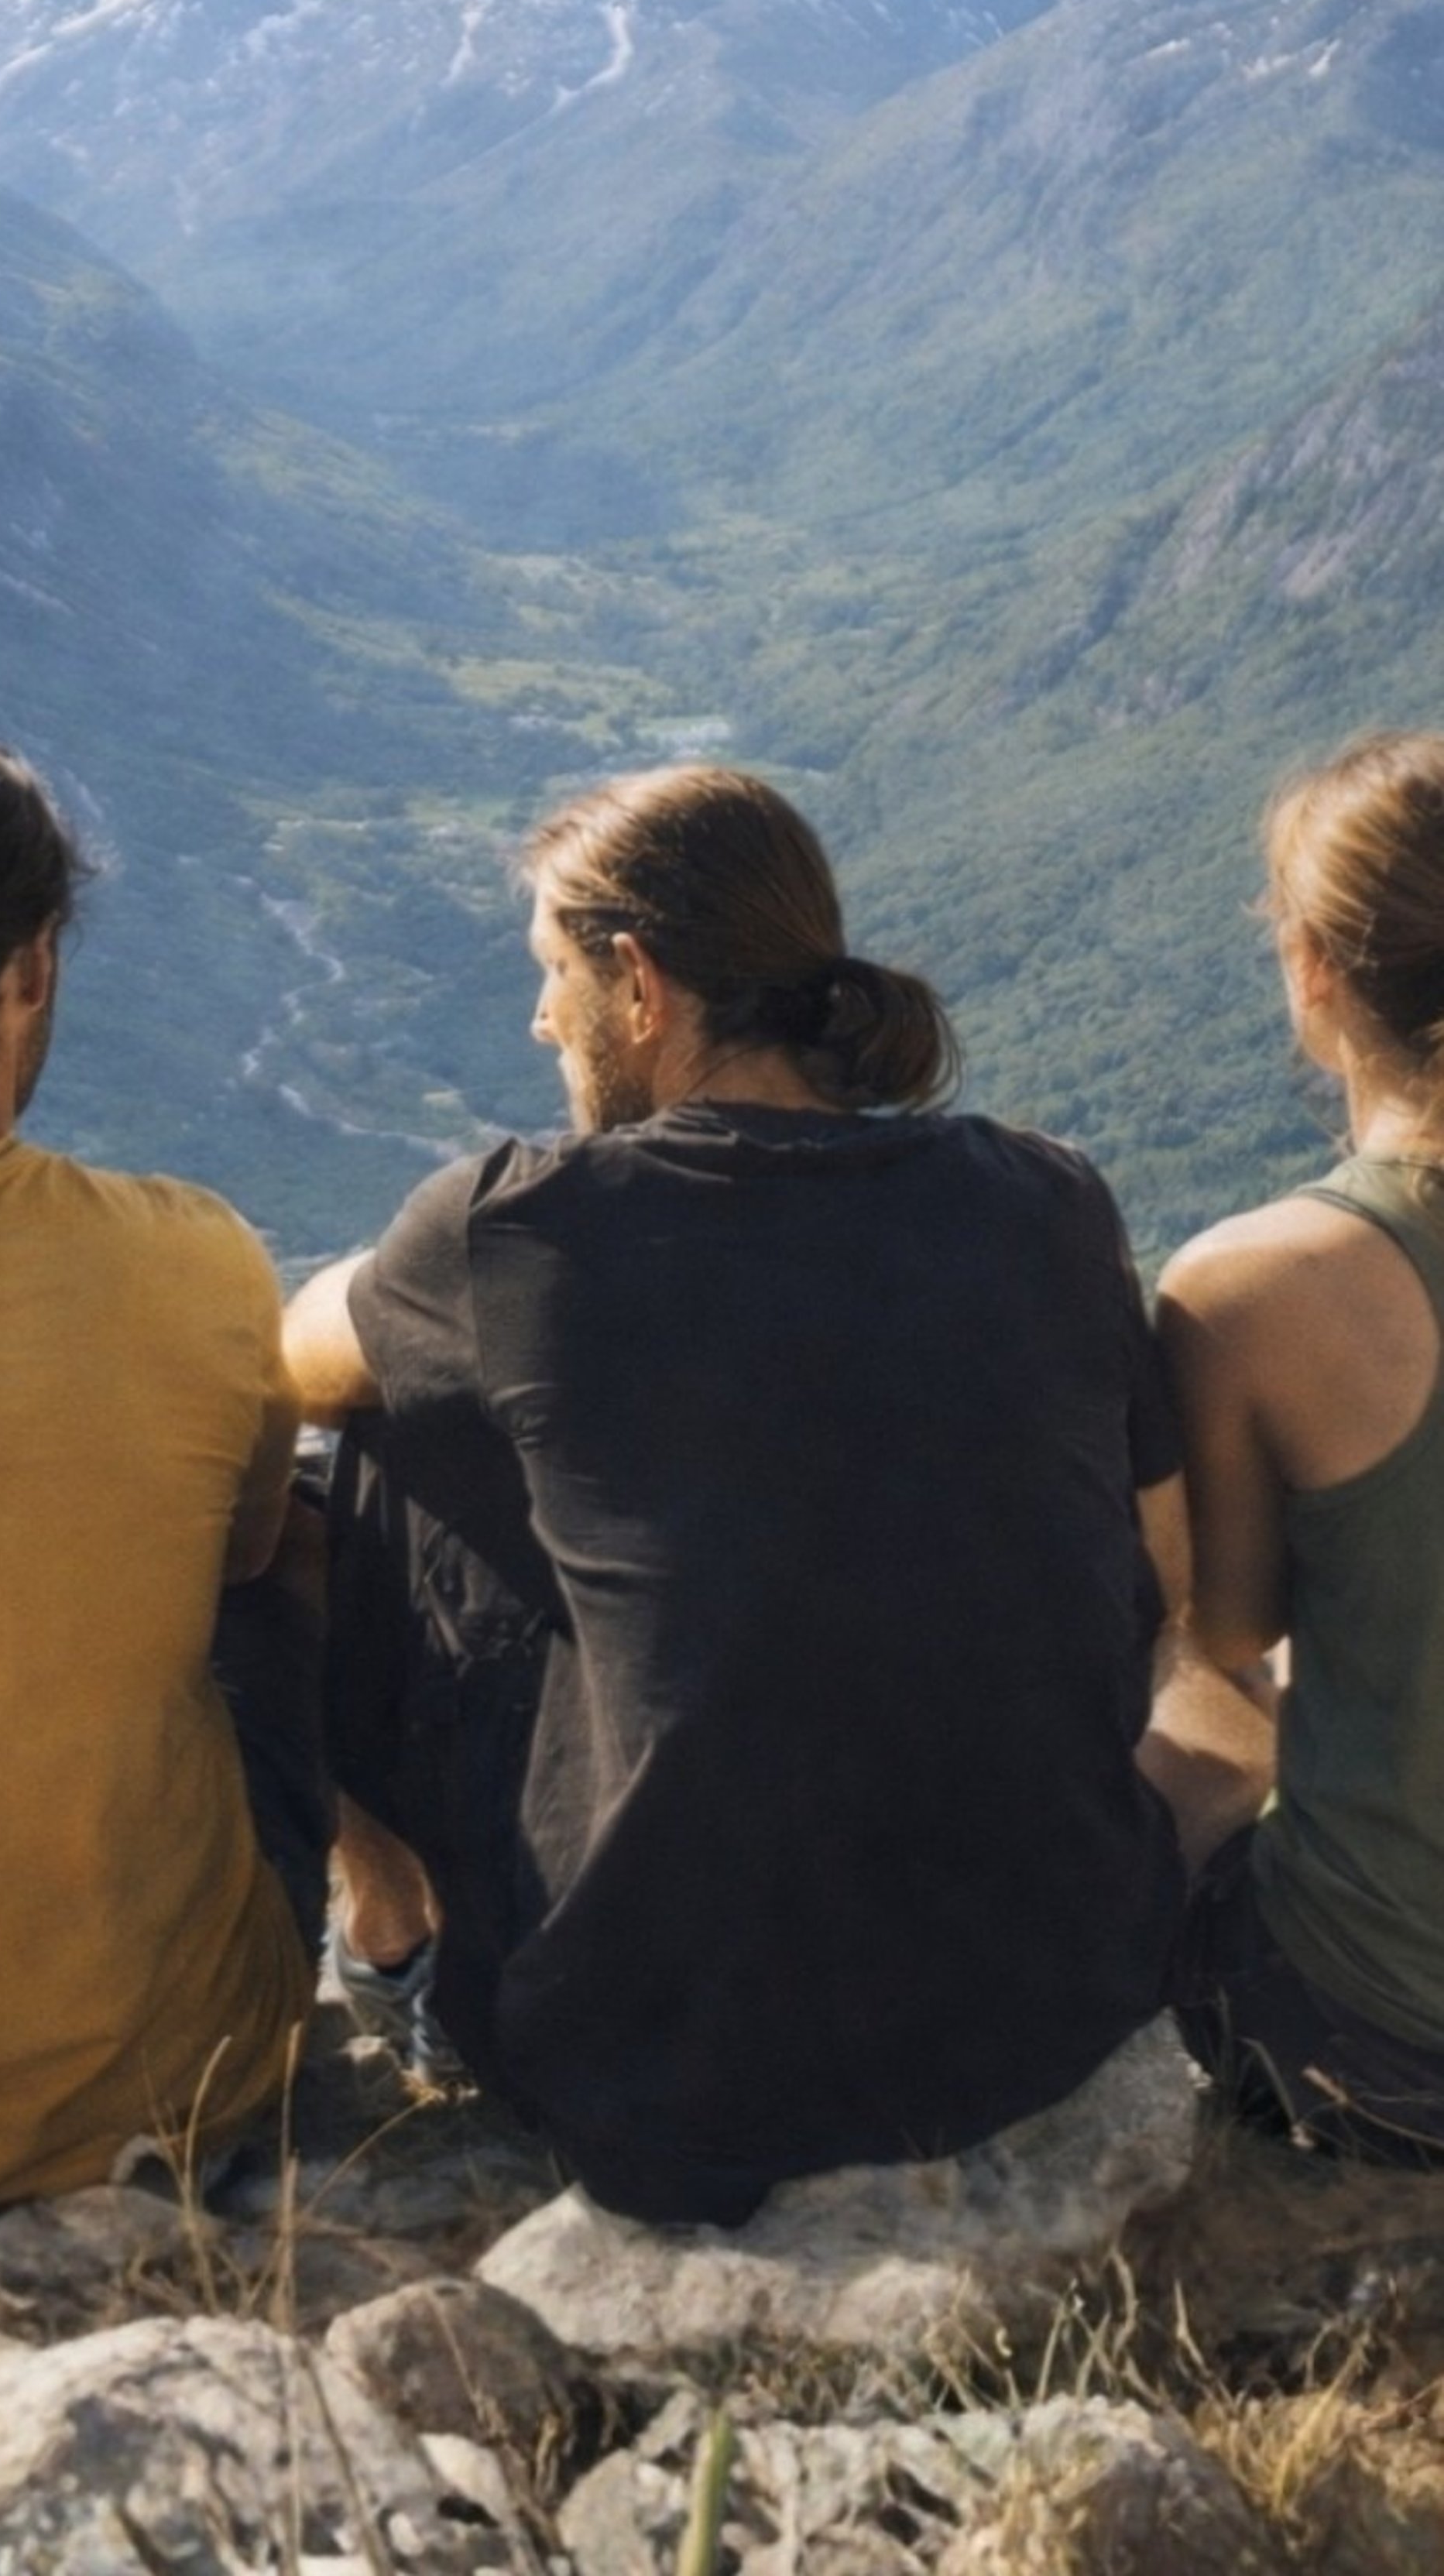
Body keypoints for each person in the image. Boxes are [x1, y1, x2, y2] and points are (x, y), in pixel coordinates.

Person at [287, 761, 1185, 2227]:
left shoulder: (519, 1231)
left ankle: (396, 1949)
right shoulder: (1052, 1198)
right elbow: (1170, 1579)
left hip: (680, 2077)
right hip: (1050, 2001)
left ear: (638, 986)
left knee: (369, 1450)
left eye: (552, 978)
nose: (538, 1021)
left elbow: (290, 1362)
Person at [0, 728, 324, 2207]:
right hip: (145, 2085)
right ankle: (408, 1951)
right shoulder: (194, 1261)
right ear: (33, 966)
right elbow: (243, 1561)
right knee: (300, 1539)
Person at [1159, 729, 1444, 2162]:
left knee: (1182, 1731)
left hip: (1380, 2033)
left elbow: (1236, 1626)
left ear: (1317, 969)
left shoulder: (1254, 1287)